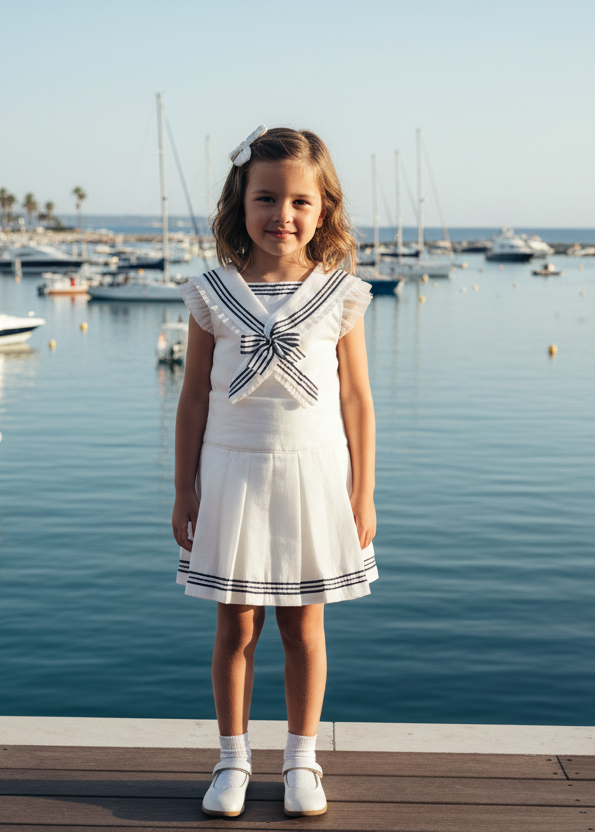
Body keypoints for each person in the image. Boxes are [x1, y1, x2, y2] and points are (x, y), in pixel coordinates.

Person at [172, 125, 377, 818]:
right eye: (265, 197)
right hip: (231, 475)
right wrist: (183, 488)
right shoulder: (212, 294)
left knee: (303, 629)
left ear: (323, 209)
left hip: (313, 477)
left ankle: (301, 760)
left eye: (298, 201)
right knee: (235, 627)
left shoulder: (340, 295)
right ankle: (232, 759)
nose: (281, 215)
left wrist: (362, 492)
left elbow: (356, 400)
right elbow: (193, 396)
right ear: (241, 201)